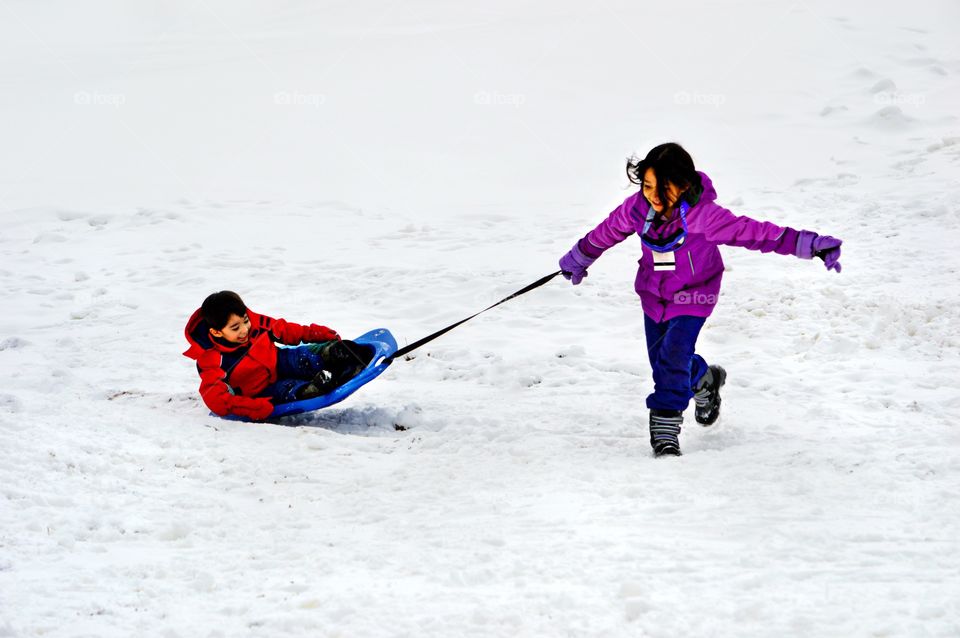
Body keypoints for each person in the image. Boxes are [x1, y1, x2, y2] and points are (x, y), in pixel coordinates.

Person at [558, 142, 842, 457]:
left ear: (683, 185)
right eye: (648, 185)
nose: (653, 194)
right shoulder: (636, 209)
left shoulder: (704, 216)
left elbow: (757, 233)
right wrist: (579, 257)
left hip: (696, 292)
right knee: (663, 362)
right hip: (654, 293)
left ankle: (665, 431)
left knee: (673, 358)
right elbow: (606, 232)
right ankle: (704, 380)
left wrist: (811, 244)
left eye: (663, 188)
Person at [183, 291, 373, 420]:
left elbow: (284, 330)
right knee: (287, 390)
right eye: (235, 328)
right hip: (260, 388)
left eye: (246, 321)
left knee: (300, 357)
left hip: (278, 361)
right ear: (216, 332)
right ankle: (316, 386)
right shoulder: (211, 359)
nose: (245, 329)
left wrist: (314, 333)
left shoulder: (254, 322)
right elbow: (215, 399)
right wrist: (252, 407)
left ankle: (332, 353)